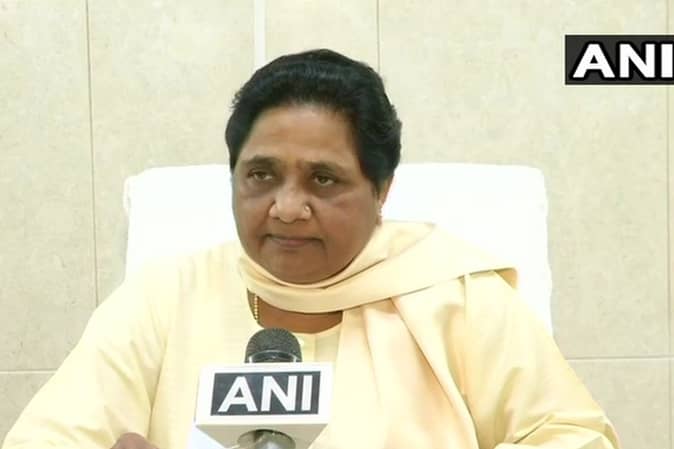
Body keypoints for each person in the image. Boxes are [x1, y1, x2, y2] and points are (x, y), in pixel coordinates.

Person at [3, 49, 620, 449]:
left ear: (381, 189)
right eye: (260, 175)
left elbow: (573, 436)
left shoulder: (456, 296)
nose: (286, 207)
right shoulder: (164, 298)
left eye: (323, 179)